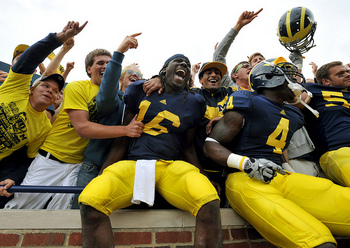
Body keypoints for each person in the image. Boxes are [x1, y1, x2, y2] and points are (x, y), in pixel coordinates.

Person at [79, 54, 223, 248]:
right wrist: (106, 168)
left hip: (171, 165)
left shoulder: (194, 101)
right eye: (178, 61)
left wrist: (204, 176)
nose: (183, 64)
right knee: (90, 201)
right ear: (164, 70)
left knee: (208, 201)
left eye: (187, 65)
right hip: (135, 163)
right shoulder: (139, 89)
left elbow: (187, 147)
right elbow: (124, 136)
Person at [204, 58, 350, 248]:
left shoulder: (294, 114)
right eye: (288, 74)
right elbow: (211, 144)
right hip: (244, 178)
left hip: (280, 175)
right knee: (317, 241)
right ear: (269, 78)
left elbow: (278, 145)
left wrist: (287, 167)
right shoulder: (248, 101)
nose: (296, 79)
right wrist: (246, 163)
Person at [4, 32, 144, 210]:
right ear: (88, 69)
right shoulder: (78, 87)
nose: (106, 66)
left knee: (63, 215)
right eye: (100, 63)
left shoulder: (119, 98)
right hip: (51, 160)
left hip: (78, 166)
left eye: (109, 63)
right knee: (19, 209)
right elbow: (83, 128)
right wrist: (125, 130)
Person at [0, 21, 85, 207]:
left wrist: (12, 177)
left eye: (55, 91)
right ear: (31, 88)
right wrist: (58, 39)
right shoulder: (14, 89)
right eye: (45, 85)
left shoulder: (43, 127)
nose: (50, 91)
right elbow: (30, 59)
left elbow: (26, 159)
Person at [71, 34, 144, 209]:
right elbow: (108, 89)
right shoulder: (111, 100)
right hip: (93, 167)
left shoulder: (142, 105)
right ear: (120, 78)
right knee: (79, 215)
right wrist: (118, 53)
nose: (135, 76)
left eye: (139, 75)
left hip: (122, 171)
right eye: (130, 73)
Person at [303, 61, 350, 187]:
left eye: (347, 71)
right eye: (341, 73)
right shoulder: (313, 89)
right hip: (338, 150)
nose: (347, 74)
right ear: (326, 81)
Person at [213, 8, 262, 88]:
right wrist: (239, 25)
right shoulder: (229, 87)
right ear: (235, 75)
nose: (250, 68)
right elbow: (218, 55)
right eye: (245, 66)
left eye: (251, 67)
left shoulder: (263, 92)